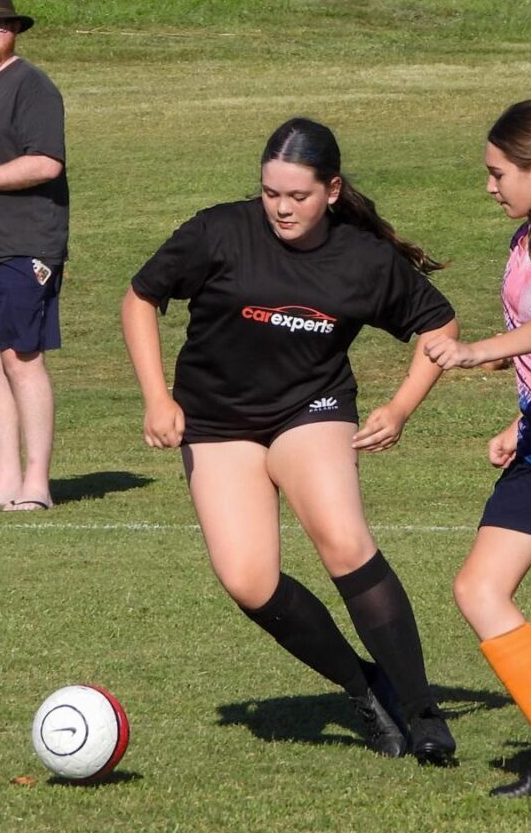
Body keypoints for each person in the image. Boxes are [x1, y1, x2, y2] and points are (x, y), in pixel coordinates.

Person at [122, 116, 458, 763]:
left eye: (297, 195)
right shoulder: (218, 231)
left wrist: (400, 407)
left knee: (342, 538)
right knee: (248, 580)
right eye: (270, 192)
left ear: (331, 190)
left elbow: (438, 325)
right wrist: (156, 397)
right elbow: (139, 298)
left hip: (311, 408)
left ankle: (423, 713)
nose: (280, 207)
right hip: (216, 422)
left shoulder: (362, 259)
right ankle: (365, 687)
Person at [425, 99, 531, 796]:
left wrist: (476, 350)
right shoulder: (522, 239)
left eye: (499, 173)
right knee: (479, 588)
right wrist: (520, 420)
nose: (488, 186)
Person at [0, 0, 69, 511]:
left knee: (22, 357)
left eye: (3, 24)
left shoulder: (31, 85)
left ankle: (37, 483)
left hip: (26, 242)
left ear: (13, 30)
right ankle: (6, 481)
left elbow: (45, 162)